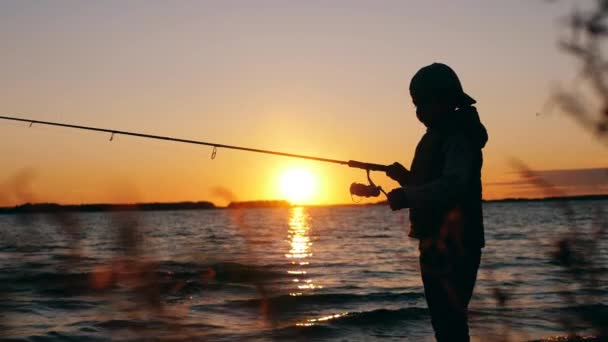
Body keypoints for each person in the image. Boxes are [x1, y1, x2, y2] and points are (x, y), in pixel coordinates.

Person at [385, 63, 488, 342]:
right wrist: (404, 178)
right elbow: (431, 184)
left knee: (449, 320)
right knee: (444, 320)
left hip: (458, 242)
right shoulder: (437, 135)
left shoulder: (457, 137)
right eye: (415, 105)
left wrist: (408, 196)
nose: (418, 112)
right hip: (433, 240)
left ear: (445, 100)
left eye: (423, 103)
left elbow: (454, 185)